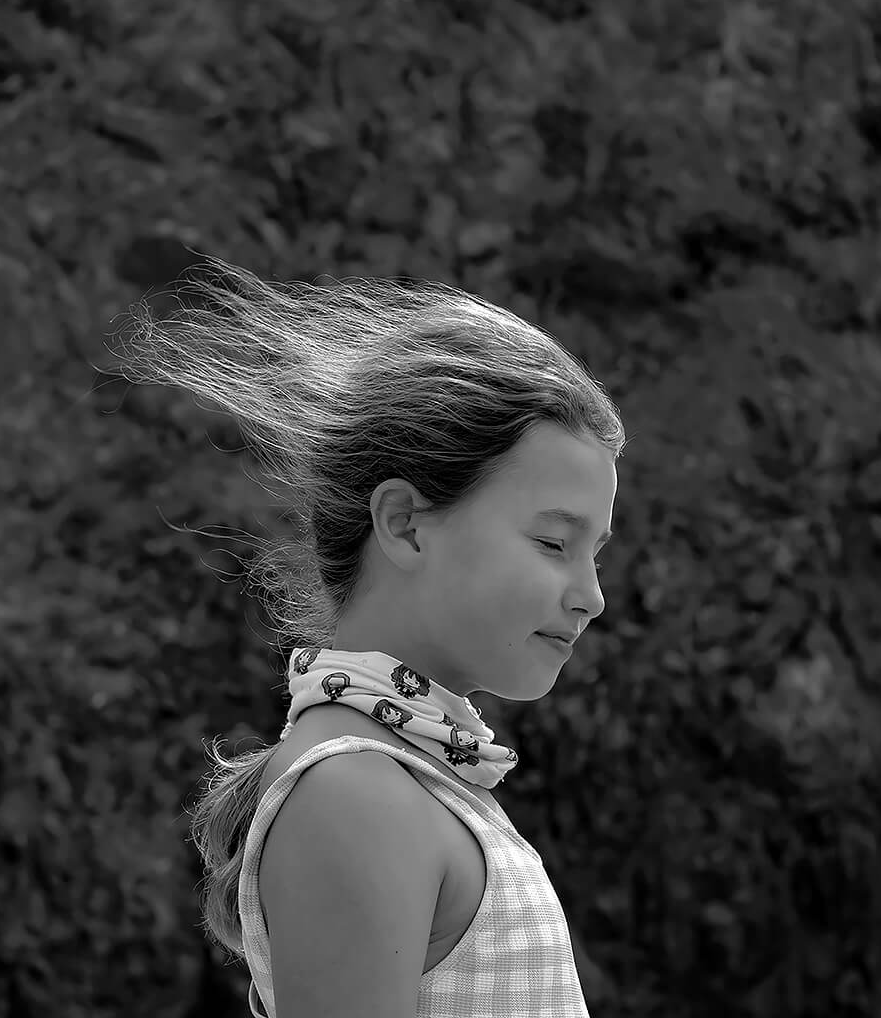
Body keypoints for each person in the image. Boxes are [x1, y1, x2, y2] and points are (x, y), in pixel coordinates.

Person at [102, 254, 627, 1017]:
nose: (592, 596)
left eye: (596, 552)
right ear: (405, 525)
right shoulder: (355, 795)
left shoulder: (415, 782)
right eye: (554, 543)